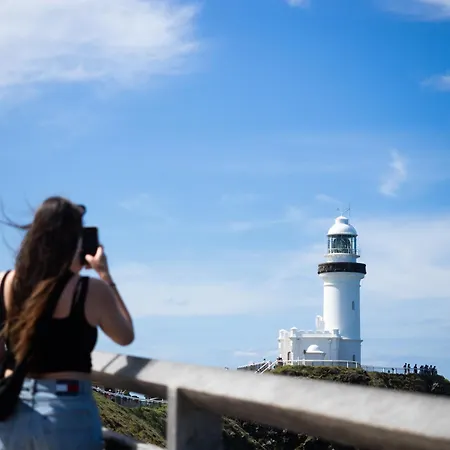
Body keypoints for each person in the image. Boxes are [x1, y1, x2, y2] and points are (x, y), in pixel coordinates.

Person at [0, 196, 134, 449]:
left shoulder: (5, 283)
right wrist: (105, 276)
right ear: (75, 241)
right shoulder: (89, 290)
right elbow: (125, 335)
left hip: (14, 408)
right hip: (67, 409)